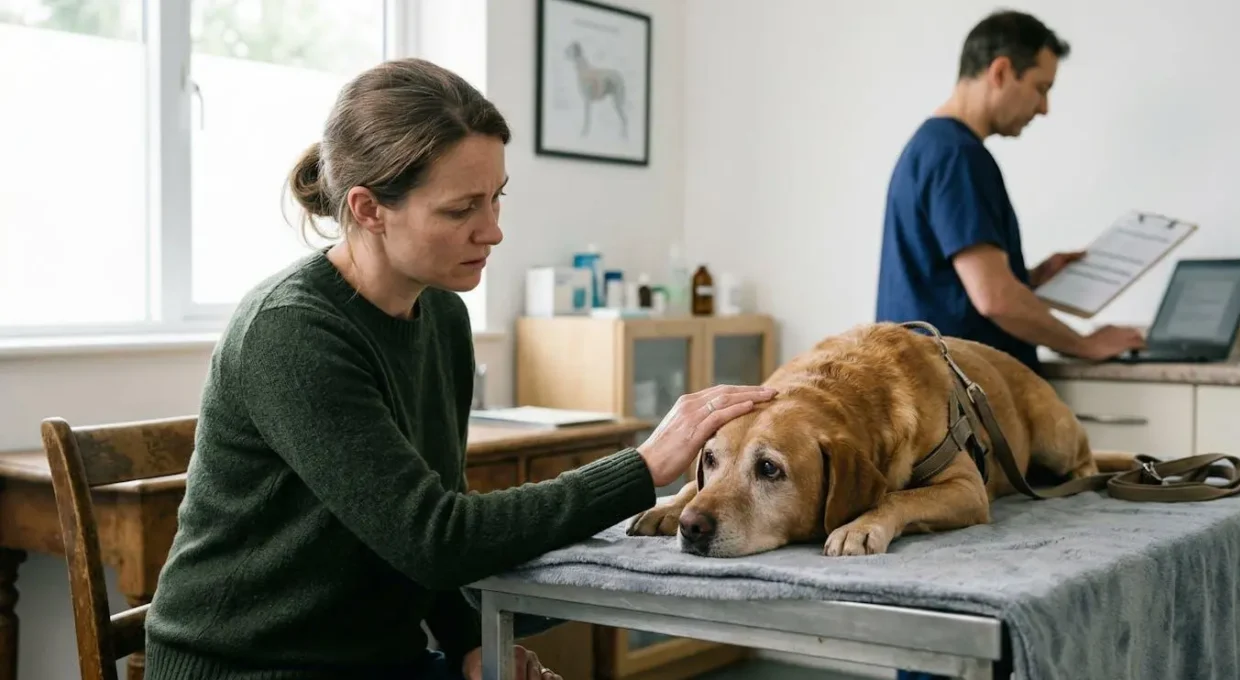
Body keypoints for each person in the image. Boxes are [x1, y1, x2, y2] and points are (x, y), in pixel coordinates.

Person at [141, 58, 777, 680]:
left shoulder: (440, 313)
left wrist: (472, 643)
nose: (493, 231)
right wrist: (643, 467)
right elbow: (435, 537)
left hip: (380, 661)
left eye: (496, 199)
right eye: (461, 209)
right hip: (247, 668)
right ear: (367, 209)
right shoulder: (291, 332)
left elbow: (419, 521)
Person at [875, 9, 1145, 378]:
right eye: (1041, 88)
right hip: (960, 401)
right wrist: (1086, 344)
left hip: (930, 392)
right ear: (1000, 72)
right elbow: (995, 299)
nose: (1044, 108)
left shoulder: (930, 147)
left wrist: (1030, 278)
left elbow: (950, 286)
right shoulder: (959, 156)